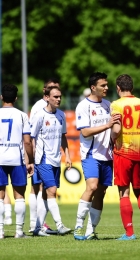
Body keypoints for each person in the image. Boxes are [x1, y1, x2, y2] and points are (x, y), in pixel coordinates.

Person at [110, 74, 140, 240]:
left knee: (124, 193)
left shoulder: (116, 104)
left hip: (123, 153)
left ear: (118, 88)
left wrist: (112, 139)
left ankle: (129, 233)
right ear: (132, 87)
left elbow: (116, 130)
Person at [73, 72, 120, 241]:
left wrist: (116, 128)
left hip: (107, 155)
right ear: (93, 87)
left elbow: (114, 130)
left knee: (101, 191)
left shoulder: (109, 105)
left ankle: (90, 230)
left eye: (107, 85)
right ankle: (78, 227)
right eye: (103, 85)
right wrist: (107, 124)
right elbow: (85, 132)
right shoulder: (83, 106)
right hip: (91, 154)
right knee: (92, 187)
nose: (107, 88)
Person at [30, 85, 72, 236]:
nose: (58, 99)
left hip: (56, 159)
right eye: (55, 96)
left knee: (46, 195)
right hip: (43, 158)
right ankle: (60, 225)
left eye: (60, 96)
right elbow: (31, 137)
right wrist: (32, 159)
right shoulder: (39, 116)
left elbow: (63, 137)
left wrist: (67, 155)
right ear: (47, 98)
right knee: (51, 191)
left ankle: (37, 228)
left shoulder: (61, 115)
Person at [0, 84, 34, 239]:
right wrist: (31, 160)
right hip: (16, 158)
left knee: (0, 195)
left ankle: (0, 232)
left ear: (1, 97)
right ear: (16, 98)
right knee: (19, 195)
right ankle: (19, 232)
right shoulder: (22, 115)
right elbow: (27, 142)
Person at [28, 78, 60, 234]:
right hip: (39, 155)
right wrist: (32, 158)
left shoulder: (56, 109)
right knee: (36, 188)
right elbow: (32, 134)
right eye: (51, 89)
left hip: (51, 155)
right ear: (45, 91)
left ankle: (39, 224)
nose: (55, 93)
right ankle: (35, 223)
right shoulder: (39, 108)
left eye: (57, 89)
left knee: (44, 188)